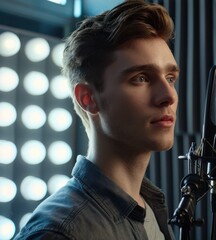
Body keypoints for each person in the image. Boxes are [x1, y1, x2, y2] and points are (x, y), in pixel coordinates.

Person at [14, 0, 178, 239]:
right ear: (88, 98)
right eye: (141, 78)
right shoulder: (60, 233)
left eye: (171, 78)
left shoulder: (151, 208)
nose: (169, 95)